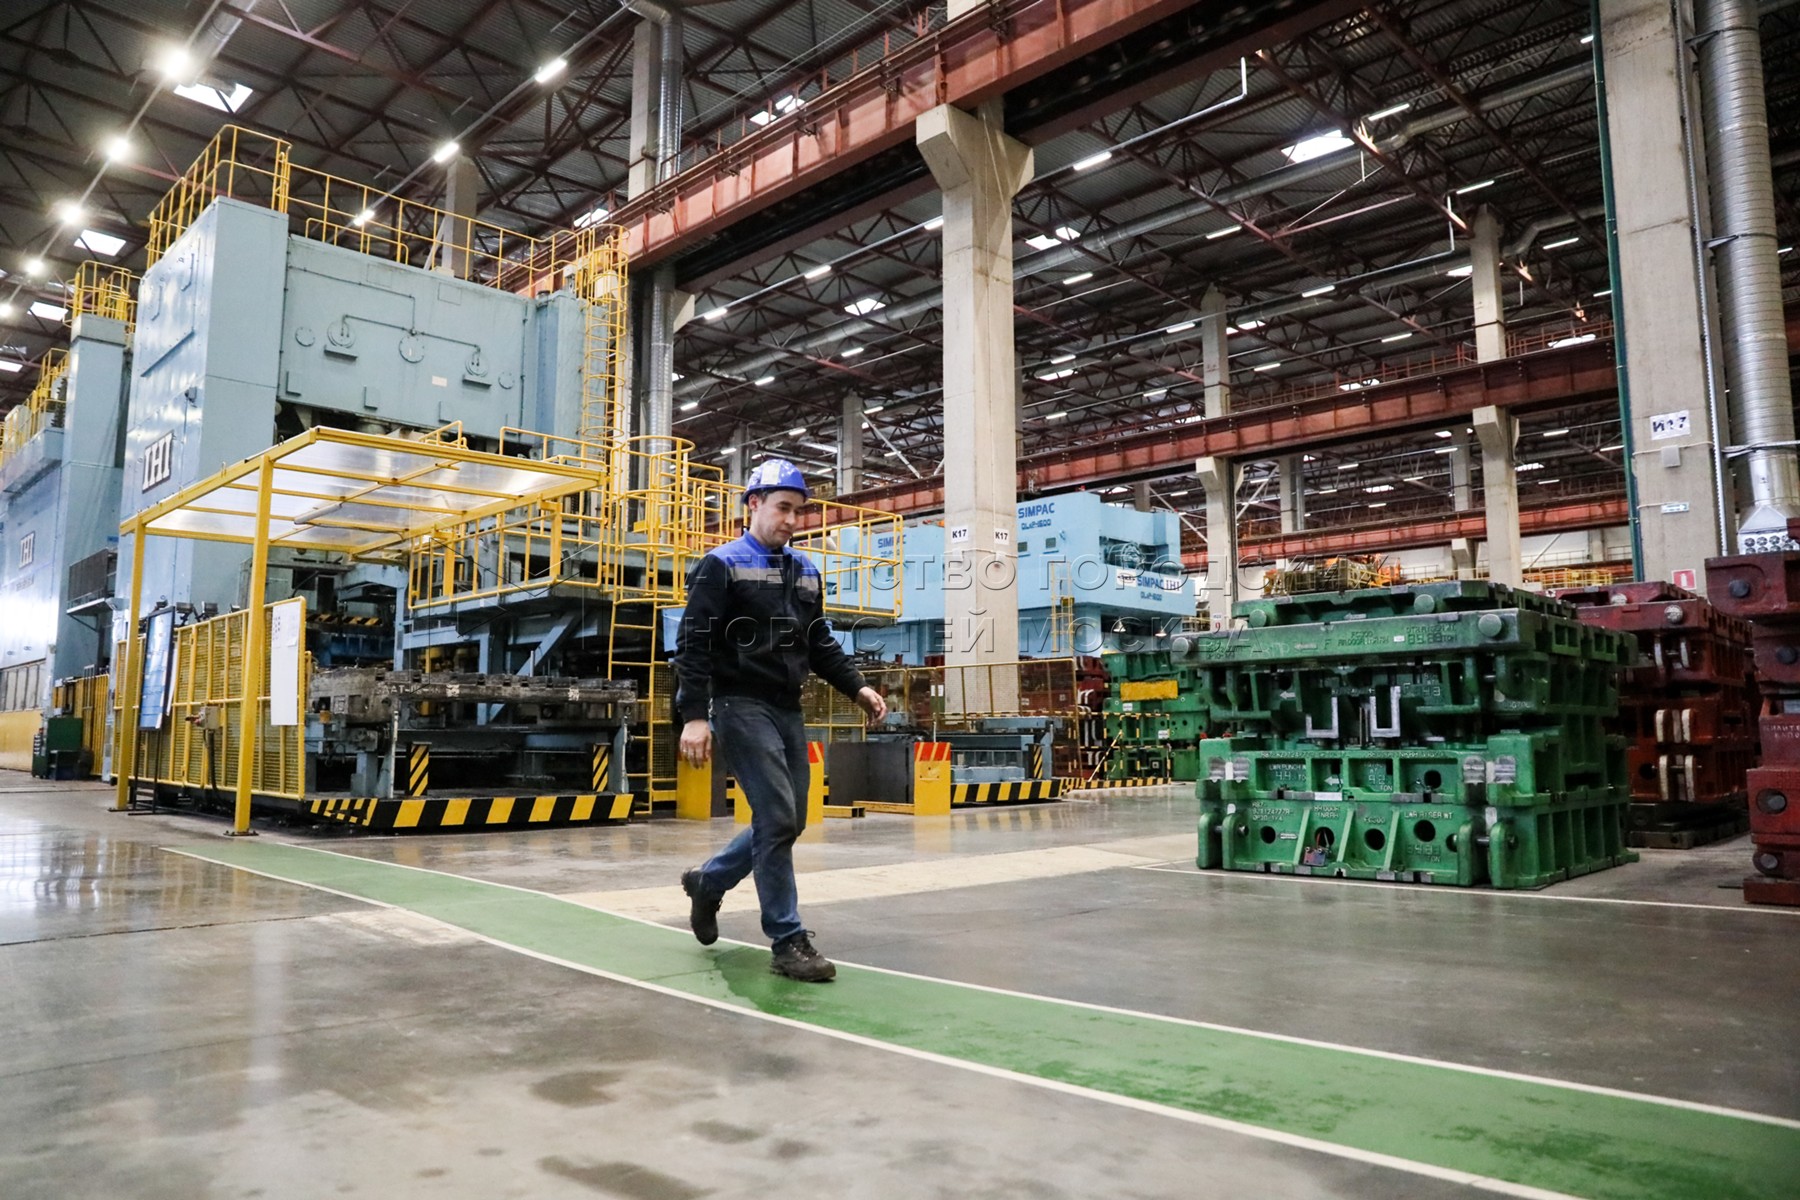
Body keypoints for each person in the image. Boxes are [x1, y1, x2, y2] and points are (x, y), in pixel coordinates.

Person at [673, 459, 887, 982]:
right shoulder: (721, 565)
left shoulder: (804, 571)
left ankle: (709, 881)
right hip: (739, 703)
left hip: (787, 707)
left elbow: (818, 641)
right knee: (775, 815)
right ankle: (787, 939)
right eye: (782, 508)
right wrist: (694, 716)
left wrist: (857, 686)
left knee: (790, 819)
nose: (791, 520)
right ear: (754, 504)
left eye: (798, 511)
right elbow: (693, 644)